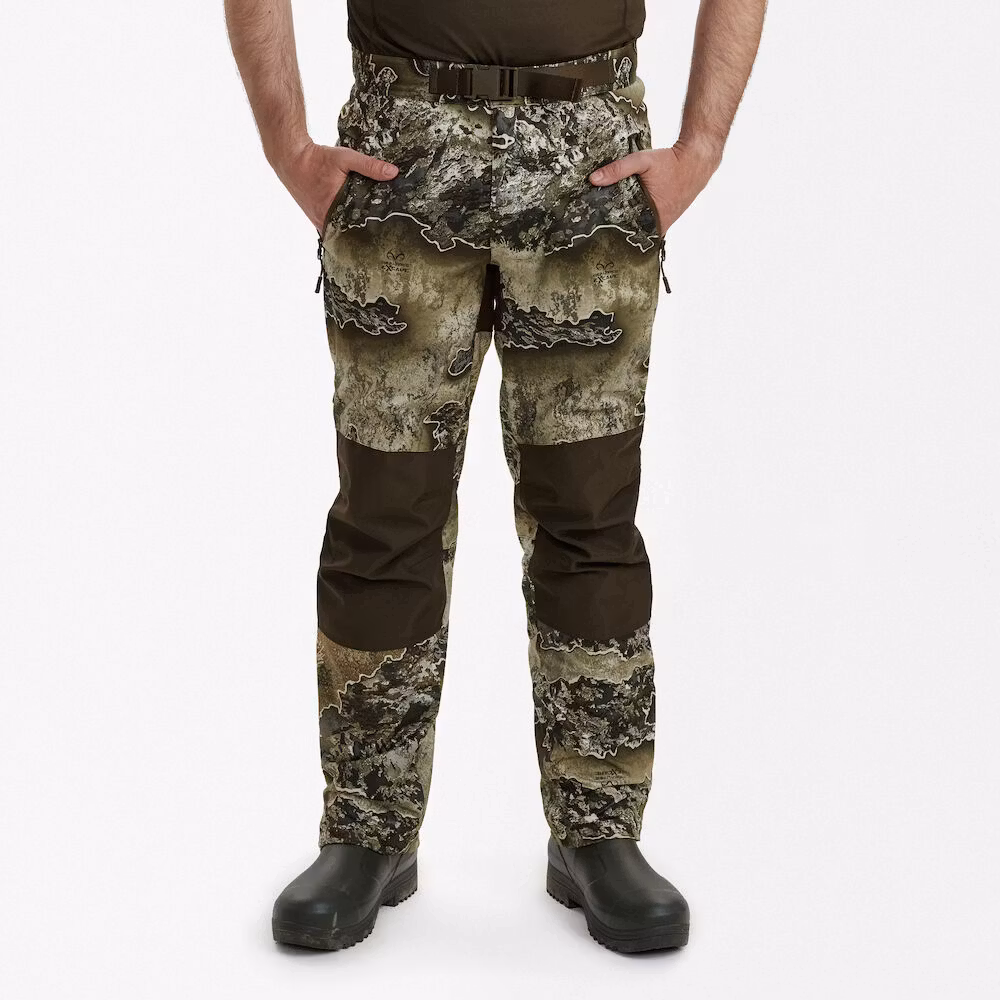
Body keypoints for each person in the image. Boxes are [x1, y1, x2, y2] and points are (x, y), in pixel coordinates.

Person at [225, 0, 766, 954]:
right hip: (402, 150)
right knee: (383, 514)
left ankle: (598, 830)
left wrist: (703, 147)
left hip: (589, 158)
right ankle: (367, 831)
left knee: (588, 514)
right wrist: (286, 145)